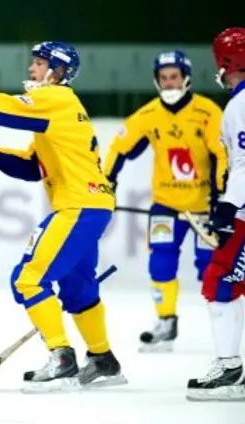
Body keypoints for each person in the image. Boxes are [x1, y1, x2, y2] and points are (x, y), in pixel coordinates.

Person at [0, 41, 126, 392]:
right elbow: (32, 167)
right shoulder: (63, 107)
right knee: (77, 288)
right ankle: (103, 360)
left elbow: (9, 109)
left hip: (77, 207)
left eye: (39, 63)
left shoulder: (55, 98)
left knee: (28, 279)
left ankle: (61, 359)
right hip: (92, 208)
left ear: (58, 72)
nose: (31, 70)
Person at [102, 50, 227, 353]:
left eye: (174, 76)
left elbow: (221, 155)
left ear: (186, 78)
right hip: (165, 206)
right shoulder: (148, 115)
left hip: (204, 209)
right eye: (163, 78)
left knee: (211, 268)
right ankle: (166, 323)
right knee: (161, 261)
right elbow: (119, 148)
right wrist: (107, 184)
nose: (169, 83)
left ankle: (225, 325)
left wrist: (219, 196)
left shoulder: (208, 112)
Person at [187, 27, 245, 402]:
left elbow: (244, 163)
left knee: (220, 278)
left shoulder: (240, 104)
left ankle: (229, 368)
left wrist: (227, 207)